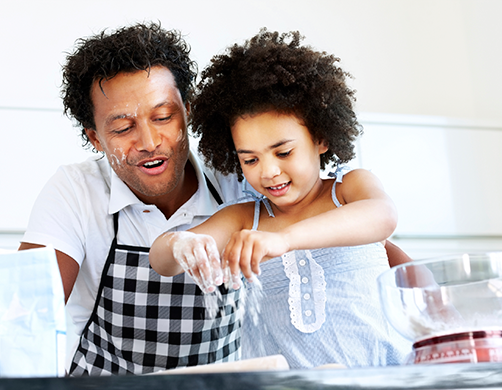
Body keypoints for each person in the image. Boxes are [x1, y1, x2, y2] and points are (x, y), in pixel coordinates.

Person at [18, 22, 410, 376]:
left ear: (188, 112)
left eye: (163, 117)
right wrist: (182, 240)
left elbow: (368, 234)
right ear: (95, 138)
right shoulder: (75, 191)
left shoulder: (241, 175)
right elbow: (22, 317)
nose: (150, 142)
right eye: (122, 127)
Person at [150, 29, 412, 369]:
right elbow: (162, 261)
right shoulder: (245, 219)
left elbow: (383, 216)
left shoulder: (349, 189)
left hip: (382, 377)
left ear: (320, 138)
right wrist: (180, 245)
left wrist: (283, 239)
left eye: (283, 151)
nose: (269, 171)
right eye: (250, 160)